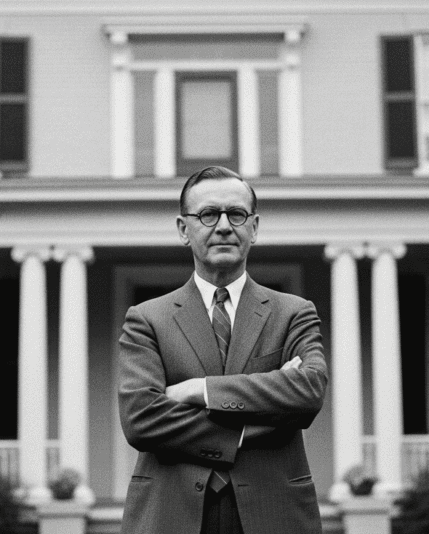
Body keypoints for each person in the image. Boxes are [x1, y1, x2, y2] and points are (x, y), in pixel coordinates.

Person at [118, 166, 329, 534]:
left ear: (254, 227)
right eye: (208, 214)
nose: (224, 226)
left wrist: (200, 391)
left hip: (273, 512)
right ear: (184, 229)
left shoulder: (294, 313)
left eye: (236, 214)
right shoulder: (147, 319)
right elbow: (141, 420)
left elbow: (308, 391)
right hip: (171, 514)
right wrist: (254, 424)